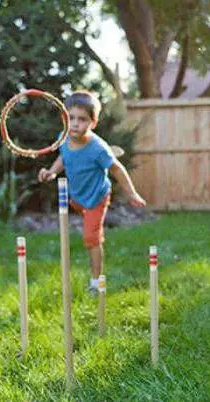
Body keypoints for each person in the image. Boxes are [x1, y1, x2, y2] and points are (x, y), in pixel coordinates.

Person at [38, 90, 147, 294]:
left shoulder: (97, 148)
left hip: (97, 197)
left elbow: (117, 169)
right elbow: (63, 157)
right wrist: (52, 172)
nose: (75, 124)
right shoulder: (63, 138)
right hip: (76, 197)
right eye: (71, 118)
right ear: (64, 118)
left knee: (91, 237)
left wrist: (132, 193)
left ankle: (96, 282)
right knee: (88, 228)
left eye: (82, 119)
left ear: (93, 123)